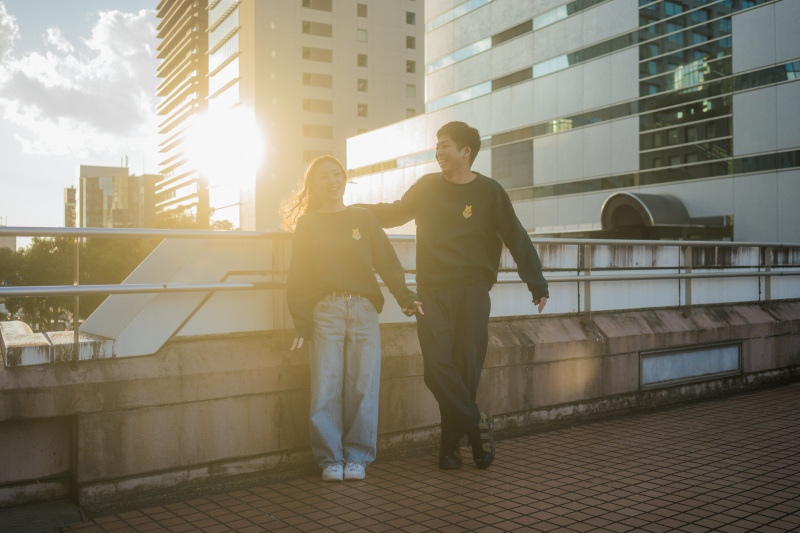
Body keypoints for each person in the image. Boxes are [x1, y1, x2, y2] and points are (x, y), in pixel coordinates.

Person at [357, 121, 548, 470]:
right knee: (436, 369)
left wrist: (536, 283)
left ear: (465, 151)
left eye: (445, 145)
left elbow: (516, 236)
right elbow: (395, 212)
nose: (438, 151)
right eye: (437, 145)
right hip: (431, 291)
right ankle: (477, 423)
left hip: (472, 291)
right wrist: (353, 210)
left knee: (465, 370)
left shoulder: (490, 192)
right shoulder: (427, 187)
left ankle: (449, 447)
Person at [282, 155, 423, 482]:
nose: (332, 180)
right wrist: (301, 321)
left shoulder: (363, 218)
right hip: (325, 311)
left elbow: (387, 262)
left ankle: (358, 456)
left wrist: (405, 296)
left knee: (363, 385)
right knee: (326, 385)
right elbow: (299, 275)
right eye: (324, 176)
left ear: (344, 179)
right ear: (314, 185)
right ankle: (330, 459)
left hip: (363, 310)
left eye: (337, 174)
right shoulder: (308, 224)